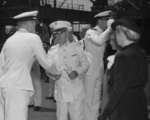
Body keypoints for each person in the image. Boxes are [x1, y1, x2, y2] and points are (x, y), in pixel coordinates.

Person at [0, 11, 61, 120]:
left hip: (4, 85)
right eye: (34, 23)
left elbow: (1, 65)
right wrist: (57, 72)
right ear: (28, 24)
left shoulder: (9, 40)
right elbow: (45, 62)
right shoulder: (33, 38)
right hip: (18, 85)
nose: (35, 26)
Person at [98, 16, 149, 120]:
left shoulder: (123, 56)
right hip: (140, 105)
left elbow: (118, 90)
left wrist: (105, 114)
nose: (115, 38)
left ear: (122, 34)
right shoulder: (141, 52)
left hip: (124, 109)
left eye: (116, 33)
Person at [47, 20, 90, 120]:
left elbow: (86, 64)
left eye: (61, 33)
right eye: (56, 33)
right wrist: (53, 75)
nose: (58, 36)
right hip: (61, 92)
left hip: (77, 91)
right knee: (61, 118)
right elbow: (47, 68)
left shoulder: (77, 47)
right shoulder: (52, 51)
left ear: (67, 33)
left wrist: (77, 72)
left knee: (77, 118)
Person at [83, 10, 114, 120]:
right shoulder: (90, 32)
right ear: (101, 21)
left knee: (96, 100)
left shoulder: (103, 33)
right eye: (107, 21)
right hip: (90, 71)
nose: (108, 23)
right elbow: (99, 41)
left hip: (99, 70)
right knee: (88, 100)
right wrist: (109, 29)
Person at [100, 31, 122, 115]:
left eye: (112, 40)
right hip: (112, 94)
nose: (110, 42)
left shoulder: (119, 58)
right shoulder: (114, 56)